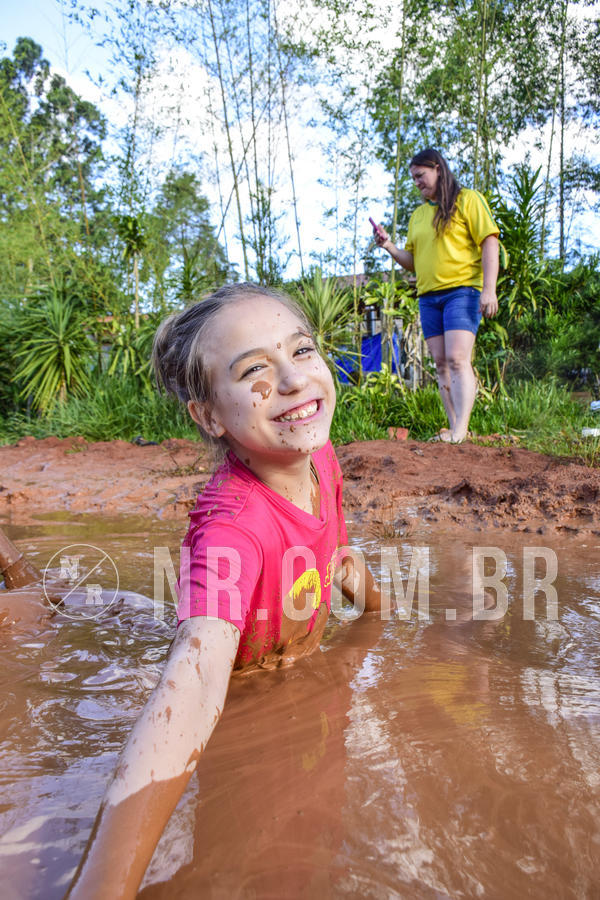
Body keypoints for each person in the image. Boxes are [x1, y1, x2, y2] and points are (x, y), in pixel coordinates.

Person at [66, 283, 381, 899]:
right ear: (209, 416)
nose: (292, 380)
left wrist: (380, 615)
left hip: (304, 709)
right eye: (255, 370)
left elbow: (338, 551)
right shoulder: (232, 528)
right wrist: (103, 888)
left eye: (303, 350)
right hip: (242, 693)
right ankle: (40, 593)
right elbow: (199, 675)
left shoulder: (318, 455)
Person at [373, 148, 500, 443]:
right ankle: (454, 428)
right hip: (429, 297)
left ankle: (460, 431)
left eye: (421, 175)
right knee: (441, 363)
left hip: (462, 291)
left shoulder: (468, 200)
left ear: (438, 169)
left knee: (457, 359)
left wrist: (489, 289)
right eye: (413, 178)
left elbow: (490, 242)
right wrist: (389, 246)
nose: (417, 182)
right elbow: (414, 261)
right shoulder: (418, 215)